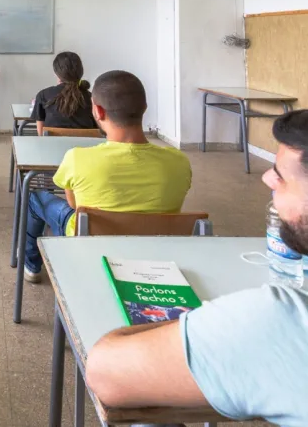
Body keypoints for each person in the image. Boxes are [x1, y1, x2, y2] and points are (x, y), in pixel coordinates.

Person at [85, 110, 308, 427]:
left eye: (281, 176)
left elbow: (104, 369)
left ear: (99, 111)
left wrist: (201, 320)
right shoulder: (178, 162)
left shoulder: (276, 322)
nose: (266, 179)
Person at [23, 70, 192, 283]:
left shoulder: (77, 158)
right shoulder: (179, 162)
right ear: (144, 108)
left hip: (90, 245)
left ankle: (31, 266)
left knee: (35, 197)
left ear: (98, 111)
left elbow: (74, 206)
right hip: (155, 250)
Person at [31, 51, 97, 135]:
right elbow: (97, 130)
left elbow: (41, 134)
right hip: (86, 147)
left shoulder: (43, 95)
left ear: (57, 73)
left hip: (51, 147)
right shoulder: (92, 98)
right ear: (81, 71)